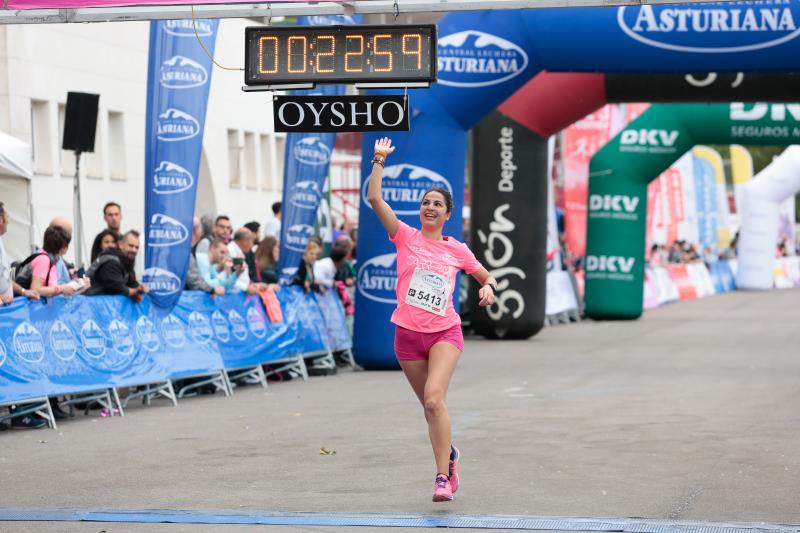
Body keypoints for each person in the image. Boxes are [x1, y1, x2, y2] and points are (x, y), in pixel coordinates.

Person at [367, 137, 497, 503]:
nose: (429, 207)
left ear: (447, 214)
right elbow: (375, 199)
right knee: (428, 407)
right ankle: (450, 455)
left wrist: (489, 289)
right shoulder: (405, 236)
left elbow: (487, 277)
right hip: (407, 336)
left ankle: (442, 477)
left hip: (444, 333)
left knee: (434, 401)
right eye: (425, 203)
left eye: (437, 204)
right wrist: (379, 159)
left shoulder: (456, 249)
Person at [85, 230, 148, 303]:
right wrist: (134, 292)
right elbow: (115, 287)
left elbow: (132, 283)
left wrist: (140, 290)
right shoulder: (110, 262)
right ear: (120, 245)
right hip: (92, 307)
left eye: (137, 247)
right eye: (130, 246)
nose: (134, 250)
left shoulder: (127, 261)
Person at [186, 217, 224, 297]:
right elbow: (194, 279)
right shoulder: (196, 254)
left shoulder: (188, 249)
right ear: (195, 230)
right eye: (222, 252)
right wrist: (212, 290)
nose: (223, 256)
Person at [228, 228, 258, 294]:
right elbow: (228, 277)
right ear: (244, 241)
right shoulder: (231, 251)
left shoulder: (238, 251)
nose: (252, 244)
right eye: (252, 241)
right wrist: (246, 288)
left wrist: (250, 285)